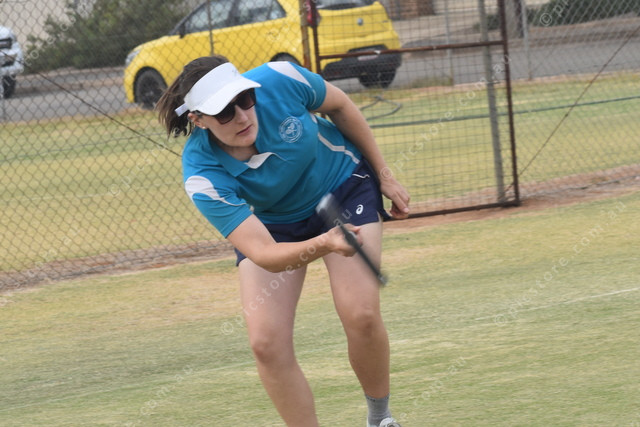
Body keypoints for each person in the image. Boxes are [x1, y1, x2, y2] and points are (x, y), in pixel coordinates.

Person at [156, 55, 410, 427]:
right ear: (198, 120)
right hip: (274, 223)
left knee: (362, 314)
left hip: (344, 187)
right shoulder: (202, 175)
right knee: (266, 343)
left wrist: (385, 174)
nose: (242, 117)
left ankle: (380, 419)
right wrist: (325, 243)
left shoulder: (280, 79)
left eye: (245, 100)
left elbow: (340, 105)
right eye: (223, 112)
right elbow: (265, 253)